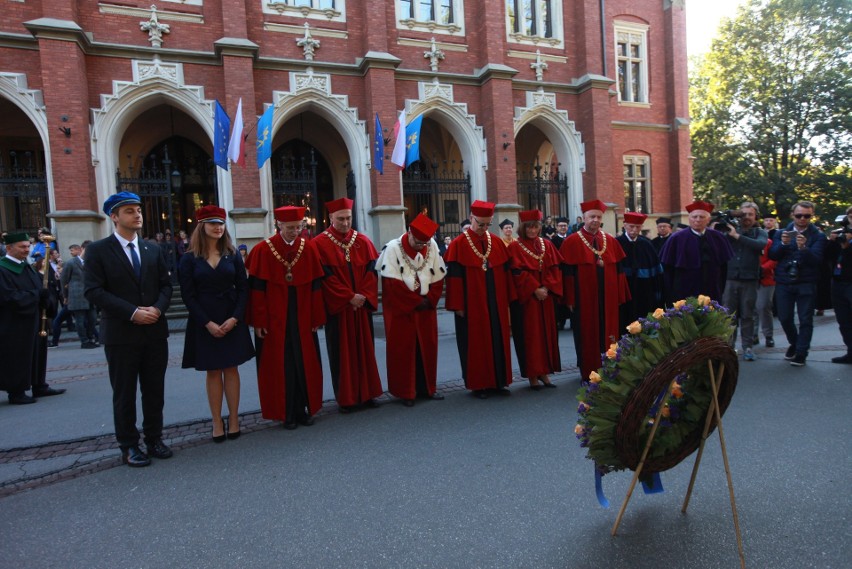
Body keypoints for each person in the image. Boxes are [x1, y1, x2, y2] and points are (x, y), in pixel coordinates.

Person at [84, 192, 173, 468]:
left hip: (154, 332)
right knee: (124, 392)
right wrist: (133, 313)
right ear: (114, 216)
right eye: (129, 211)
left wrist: (157, 309)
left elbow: (166, 286)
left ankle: (154, 438)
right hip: (121, 334)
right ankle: (129, 445)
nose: (137, 215)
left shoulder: (152, 249)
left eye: (138, 210)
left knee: (154, 390)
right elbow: (93, 291)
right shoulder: (99, 250)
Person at [246, 206, 326, 428]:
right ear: (279, 225)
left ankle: (303, 410)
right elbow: (257, 289)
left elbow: (315, 287)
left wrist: (316, 318)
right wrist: (259, 322)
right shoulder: (263, 250)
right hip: (274, 319)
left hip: (302, 317)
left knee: (304, 363)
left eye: (299, 227)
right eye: (290, 228)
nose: (295, 231)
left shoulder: (308, 249)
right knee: (281, 366)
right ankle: (286, 413)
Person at [179, 206, 254, 441]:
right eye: (212, 223)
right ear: (202, 226)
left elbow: (244, 289)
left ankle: (233, 418)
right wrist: (207, 323)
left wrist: (235, 318)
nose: (218, 227)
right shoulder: (189, 259)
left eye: (221, 222)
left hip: (231, 317)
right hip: (204, 320)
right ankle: (216, 421)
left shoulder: (232, 255)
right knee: (213, 371)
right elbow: (188, 296)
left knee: (232, 369)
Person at [314, 197, 383, 412]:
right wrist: (348, 297)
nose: (345, 223)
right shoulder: (319, 244)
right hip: (340, 310)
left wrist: (361, 296)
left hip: (360, 308)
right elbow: (324, 278)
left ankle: (368, 394)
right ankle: (347, 399)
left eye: (349, 218)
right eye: (341, 219)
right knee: (341, 354)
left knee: (365, 351)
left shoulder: (363, 241)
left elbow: (372, 272)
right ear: (331, 218)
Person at [445, 200, 516, 399]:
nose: (483, 228)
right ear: (471, 218)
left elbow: (505, 272)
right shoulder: (459, 244)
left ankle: (498, 382)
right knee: (476, 343)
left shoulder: (496, 241)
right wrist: (457, 305)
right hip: (471, 303)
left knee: (497, 339)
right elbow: (454, 278)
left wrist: (508, 299)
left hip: (495, 300)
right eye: (480, 224)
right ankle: (479, 384)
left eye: (487, 224)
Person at [377, 213, 446, 406]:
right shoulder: (392, 249)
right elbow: (391, 285)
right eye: (417, 242)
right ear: (409, 232)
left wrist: (430, 299)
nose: (420, 246)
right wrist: (415, 301)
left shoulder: (431, 246)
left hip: (426, 310)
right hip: (403, 311)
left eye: (424, 243)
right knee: (404, 350)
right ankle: (406, 392)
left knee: (427, 349)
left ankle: (428, 389)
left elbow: (439, 278)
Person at [560, 200, 631, 381]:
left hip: (608, 296)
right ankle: (588, 370)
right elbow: (567, 273)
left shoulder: (610, 240)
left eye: (598, 217)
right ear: (584, 218)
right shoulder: (572, 241)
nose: (595, 220)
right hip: (584, 297)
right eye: (592, 217)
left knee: (610, 332)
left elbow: (619, 270)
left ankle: (610, 368)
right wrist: (570, 298)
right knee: (586, 333)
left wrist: (620, 295)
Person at [0, 232, 66, 404]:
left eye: (28, 246)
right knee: (17, 356)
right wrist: (37, 295)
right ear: (9, 248)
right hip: (14, 323)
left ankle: (39, 384)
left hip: (35, 319)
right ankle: (17, 391)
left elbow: (41, 288)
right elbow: (9, 297)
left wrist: (46, 298)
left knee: (38, 351)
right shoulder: (3, 269)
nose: (26, 250)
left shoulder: (27, 267)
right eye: (22, 247)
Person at [507, 209, 562, 390]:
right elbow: (516, 273)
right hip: (527, 300)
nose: (532, 230)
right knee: (530, 337)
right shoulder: (515, 247)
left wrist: (546, 287)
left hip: (545, 298)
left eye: (536, 227)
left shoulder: (546, 244)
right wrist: (534, 289)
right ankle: (532, 374)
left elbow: (555, 269)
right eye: (529, 227)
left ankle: (545, 372)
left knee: (546, 335)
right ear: (523, 228)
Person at [768, 201, 827, 366]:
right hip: (784, 281)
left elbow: (816, 260)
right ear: (792, 215)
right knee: (785, 318)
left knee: (805, 319)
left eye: (807, 216)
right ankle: (794, 343)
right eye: (799, 215)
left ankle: (801, 352)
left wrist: (803, 249)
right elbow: (773, 255)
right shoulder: (781, 233)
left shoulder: (818, 236)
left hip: (806, 282)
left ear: (811, 216)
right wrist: (784, 244)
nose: (802, 219)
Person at [660, 201, 734, 304]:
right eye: (694, 217)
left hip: (711, 290)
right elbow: (668, 270)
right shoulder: (676, 238)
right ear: (689, 219)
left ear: (708, 220)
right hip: (683, 291)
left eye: (702, 217)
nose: (698, 220)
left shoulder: (718, 237)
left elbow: (723, 268)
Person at [721, 202, 768, 362]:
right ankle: (729, 346)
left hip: (749, 280)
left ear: (756, 216)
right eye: (743, 214)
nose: (746, 217)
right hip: (731, 278)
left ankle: (747, 346)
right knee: (729, 315)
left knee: (748, 315)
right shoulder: (731, 230)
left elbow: (760, 245)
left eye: (750, 214)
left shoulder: (759, 232)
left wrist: (737, 236)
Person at [617, 212, 663, 329]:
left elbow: (656, 272)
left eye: (637, 227)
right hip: (623, 291)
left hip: (644, 292)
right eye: (631, 226)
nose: (634, 230)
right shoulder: (616, 243)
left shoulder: (647, 245)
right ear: (624, 225)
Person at [825, 206, 852, 364]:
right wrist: (833, 241)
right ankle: (850, 351)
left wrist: (847, 247)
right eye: (850, 215)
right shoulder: (842, 233)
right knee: (843, 320)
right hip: (838, 281)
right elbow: (828, 256)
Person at [60, 244, 98, 349]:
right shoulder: (71, 263)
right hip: (76, 295)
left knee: (93, 319)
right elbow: (64, 280)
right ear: (82, 250)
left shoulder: (91, 263)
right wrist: (65, 295)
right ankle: (84, 341)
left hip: (90, 295)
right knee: (80, 320)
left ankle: (90, 338)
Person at [756, 238, 777, 347]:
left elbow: (774, 259)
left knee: (764, 306)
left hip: (765, 278)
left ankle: (768, 335)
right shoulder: (738, 239)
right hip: (746, 277)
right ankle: (753, 335)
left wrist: (762, 268)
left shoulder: (767, 242)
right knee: (748, 308)